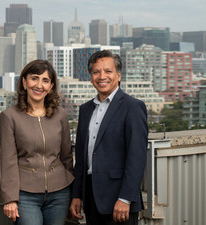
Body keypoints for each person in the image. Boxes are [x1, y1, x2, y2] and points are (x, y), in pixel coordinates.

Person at [70, 50, 148, 225]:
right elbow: (82, 159)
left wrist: (126, 198)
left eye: (108, 71)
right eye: (96, 72)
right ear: (91, 77)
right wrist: (77, 195)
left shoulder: (133, 107)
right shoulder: (85, 110)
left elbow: (137, 157)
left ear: (119, 75)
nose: (101, 76)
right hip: (91, 199)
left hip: (119, 199)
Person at [0, 59, 74, 225]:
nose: (39, 85)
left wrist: (73, 191)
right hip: (25, 195)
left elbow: (67, 156)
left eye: (45, 80)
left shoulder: (60, 115)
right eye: (34, 78)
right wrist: (10, 198)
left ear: (51, 87)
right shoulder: (9, 117)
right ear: (24, 82)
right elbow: (8, 161)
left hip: (60, 193)